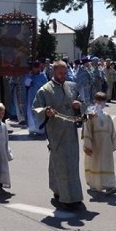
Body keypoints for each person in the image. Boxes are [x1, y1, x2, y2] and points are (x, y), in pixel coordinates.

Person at [32, 60, 85, 211]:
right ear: (54, 72)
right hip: (56, 132)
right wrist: (46, 112)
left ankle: (72, 195)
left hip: (71, 132)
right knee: (61, 164)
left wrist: (78, 106)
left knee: (72, 165)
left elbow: (83, 102)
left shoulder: (72, 87)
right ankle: (65, 198)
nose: (63, 75)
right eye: (60, 73)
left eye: (65, 72)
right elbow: (36, 108)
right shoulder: (45, 90)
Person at [83, 92, 116, 195]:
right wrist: (87, 145)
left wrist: (112, 143)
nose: (101, 104)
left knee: (107, 164)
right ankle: (94, 185)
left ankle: (110, 186)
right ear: (94, 101)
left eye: (103, 101)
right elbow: (86, 130)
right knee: (95, 164)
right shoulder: (90, 115)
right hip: (94, 145)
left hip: (106, 146)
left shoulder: (107, 116)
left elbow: (112, 131)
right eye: (98, 101)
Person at [25, 60, 49, 136]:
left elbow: (46, 86)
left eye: (36, 68)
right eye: (34, 68)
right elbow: (26, 83)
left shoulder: (43, 76)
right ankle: (32, 129)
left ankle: (40, 129)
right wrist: (30, 79)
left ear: (39, 68)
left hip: (40, 97)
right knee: (30, 112)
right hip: (31, 96)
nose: (35, 69)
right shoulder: (29, 75)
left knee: (39, 112)